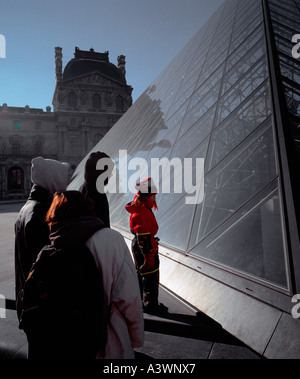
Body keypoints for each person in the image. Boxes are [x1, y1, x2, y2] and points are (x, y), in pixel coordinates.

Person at [45, 191, 144, 359]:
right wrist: (135, 338)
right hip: (108, 342)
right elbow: (129, 298)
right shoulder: (111, 239)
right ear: (89, 207)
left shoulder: (53, 242)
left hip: (65, 341)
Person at [14, 156, 69, 319]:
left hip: (31, 300)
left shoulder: (30, 207)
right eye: (62, 179)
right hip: (40, 304)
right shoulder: (41, 211)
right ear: (52, 180)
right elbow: (45, 263)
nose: (65, 184)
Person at [125, 177, 168, 315]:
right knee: (150, 277)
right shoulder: (141, 214)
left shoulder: (141, 209)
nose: (155, 198)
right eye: (153, 195)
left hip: (143, 247)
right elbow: (143, 238)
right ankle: (150, 306)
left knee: (143, 276)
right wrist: (149, 258)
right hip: (145, 249)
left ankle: (144, 303)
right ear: (146, 196)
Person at [80, 151, 114, 227]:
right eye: (109, 171)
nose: (111, 175)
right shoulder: (96, 193)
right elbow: (102, 225)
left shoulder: (85, 188)